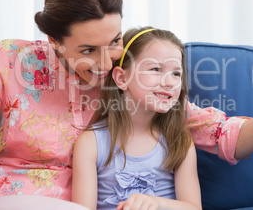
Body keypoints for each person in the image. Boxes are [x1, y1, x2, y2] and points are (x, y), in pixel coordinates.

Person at [0, 0, 253, 209]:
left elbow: (227, 137)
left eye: (113, 41)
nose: (103, 62)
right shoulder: (6, 59)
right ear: (54, 41)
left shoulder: (127, 77)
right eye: (86, 50)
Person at [72, 27, 201, 210]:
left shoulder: (179, 141)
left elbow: (194, 207)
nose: (169, 82)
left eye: (176, 74)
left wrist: (156, 203)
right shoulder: (91, 142)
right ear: (121, 78)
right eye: (156, 69)